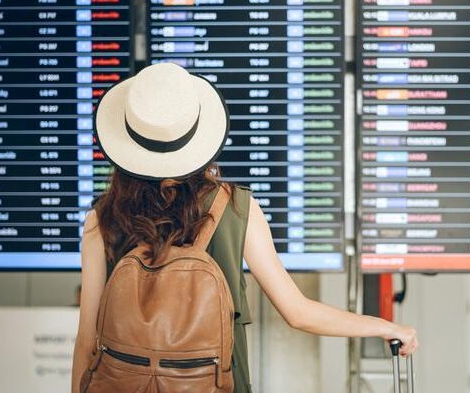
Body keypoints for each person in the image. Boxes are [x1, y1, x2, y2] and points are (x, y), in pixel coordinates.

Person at [71, 63, 418, 392]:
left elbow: (87, 339)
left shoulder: (101, 219)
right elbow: (297, 312)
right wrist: (385, 327)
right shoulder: (236, 208)